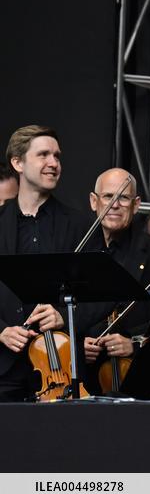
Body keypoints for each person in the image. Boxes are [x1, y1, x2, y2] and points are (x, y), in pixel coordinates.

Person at [79, 168, 150, 395]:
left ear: (136, 204)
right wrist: (77, 343)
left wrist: (136, 344)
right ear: (93, 201)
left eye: (123, 198)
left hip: (138, 380)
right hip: (81, 380)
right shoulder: (76, 245)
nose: (115, 205)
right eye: (108, 196)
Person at [0, 126, 87, 401]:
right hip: (4, 367)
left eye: (57, 156)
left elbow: (101, 297)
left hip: (60, 364)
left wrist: (64, 315)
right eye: (43, 155)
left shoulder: (80, 225)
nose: (54, 163)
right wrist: (1, 330)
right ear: (18, 163)